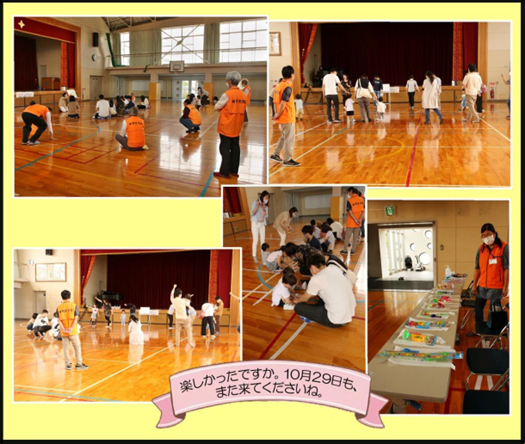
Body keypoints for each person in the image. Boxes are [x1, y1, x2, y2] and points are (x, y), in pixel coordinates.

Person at [293, 253, 356, 327]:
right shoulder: (334, 268)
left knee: (298, 307)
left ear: (312, 267)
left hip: (336, 321)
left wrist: (295, 300)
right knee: (324, 293)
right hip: (349, 313)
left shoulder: (316, 279)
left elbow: (304, 298)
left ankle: (315, 317)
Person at [472, 223, 509, 325]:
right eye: (483, 235)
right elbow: (477, 268)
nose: (486, 237)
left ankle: (492, 330)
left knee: (494, 311)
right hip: (482, 286)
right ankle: (480, 329)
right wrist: (475, 284)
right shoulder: (481, 249)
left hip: (496, 287)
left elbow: (506, 269)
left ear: (494, 234)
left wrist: (505, 287)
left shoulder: (504, 247)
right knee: (478, 308)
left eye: (488, 234)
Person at [214, 71, 247, 179]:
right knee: (235, 149)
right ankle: (234, 170)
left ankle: (224, 172)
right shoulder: (243, 95)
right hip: (237, 126)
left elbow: (216, 107)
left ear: (229, 81)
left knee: (225, 149)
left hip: (226, 126)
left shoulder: (227, 94)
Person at [270, 66, 301, 166]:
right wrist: (278, 114)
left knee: (284, 136)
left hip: (282, 117)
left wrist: (275, 113)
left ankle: (275, 154)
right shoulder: (287, 87)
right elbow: (283, 103)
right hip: (287, 116)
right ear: (291, 75)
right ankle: (287, 159)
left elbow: (274, 101)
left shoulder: (279, 86)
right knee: (289, 139)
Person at [56, 290, 88, 370]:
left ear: (62, 297)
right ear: (69, 296)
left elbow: (59, 320)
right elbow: (76, 318)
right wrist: (71, 328)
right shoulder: (74, 306)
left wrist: (64, 329)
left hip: (64, 332)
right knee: (77, 347)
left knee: (66, 348)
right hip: (73, 331)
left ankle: (68, 364)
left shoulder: (59, 307)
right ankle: (79, 364)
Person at [341, 187, 365, 255]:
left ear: (351, 191)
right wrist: (359, 219)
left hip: (351, 222)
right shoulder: (361, 199)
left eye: (348, 192)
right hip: (358, 223)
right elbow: (363, 210)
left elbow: (350, 211)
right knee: (355, 238)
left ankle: (345, 250)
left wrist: (355, 219)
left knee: (347, 237)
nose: (348, 194)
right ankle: (353, 250)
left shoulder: (350, 200)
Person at [250, 191, 269, 262]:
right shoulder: (255, 202)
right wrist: (257, 206)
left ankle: (263, 255)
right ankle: (254, 256)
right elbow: (252, 213)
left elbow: (266, 216)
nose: (267, 199)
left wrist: (264, 208)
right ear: (262, 197)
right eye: (266, 197)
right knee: (255, 240)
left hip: (262, 224)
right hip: (255, 224)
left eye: (268, 198)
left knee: (263, 241)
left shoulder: (265, 206)